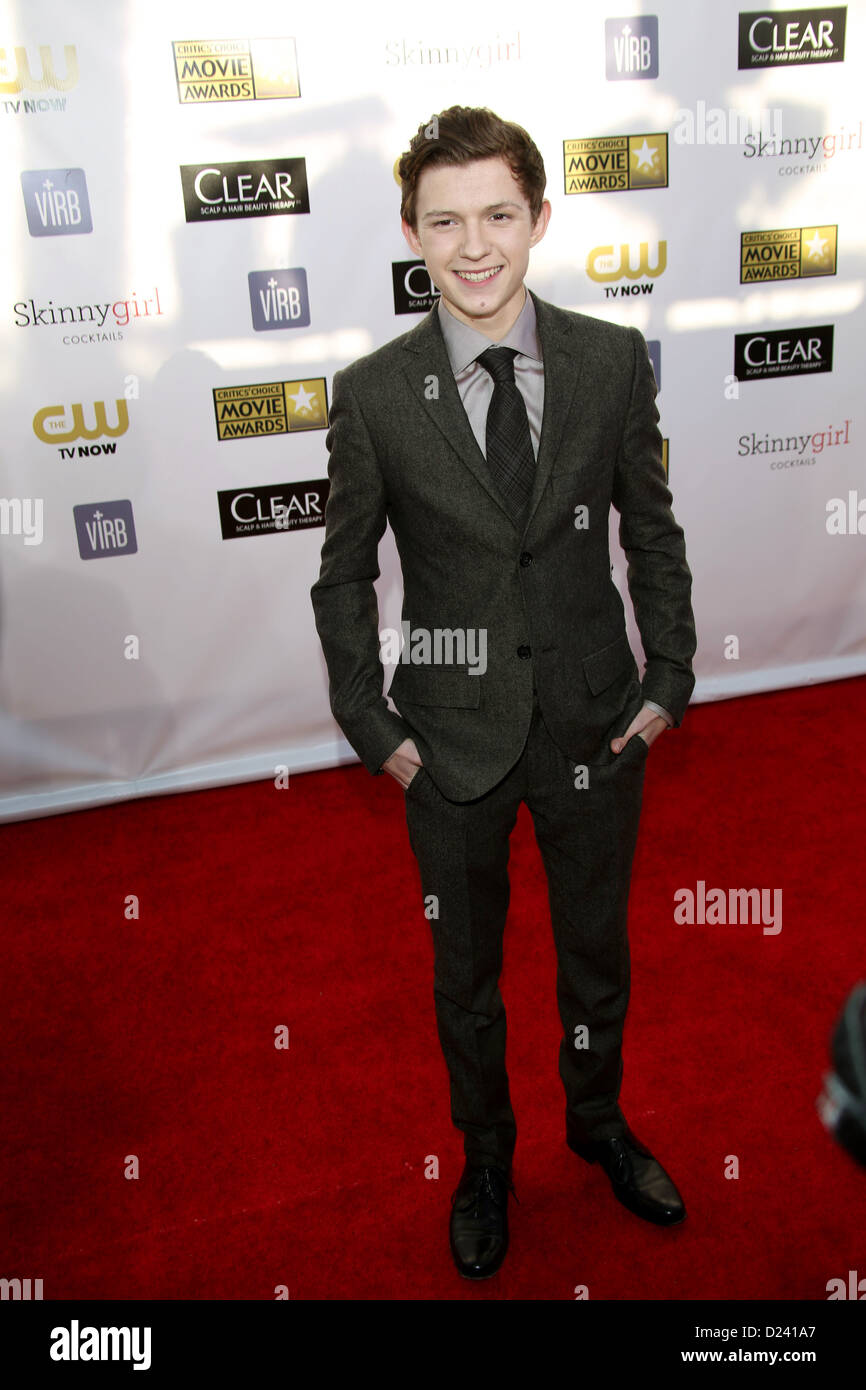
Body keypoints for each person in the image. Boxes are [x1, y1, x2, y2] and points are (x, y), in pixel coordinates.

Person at [311, 105, 697, 1280]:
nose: (472, 246)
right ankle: (484, 1158)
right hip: (448, 741)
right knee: (463, 976)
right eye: (444, 221)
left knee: (595, 957)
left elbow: (650, 525)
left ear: (538, 217)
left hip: (594, 722)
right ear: (410, 233)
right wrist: (373, 726)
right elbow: (341, 574)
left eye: (495, 215)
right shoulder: (375, 394)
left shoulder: (606, 358)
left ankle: (596, 1124)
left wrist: (668, 674)